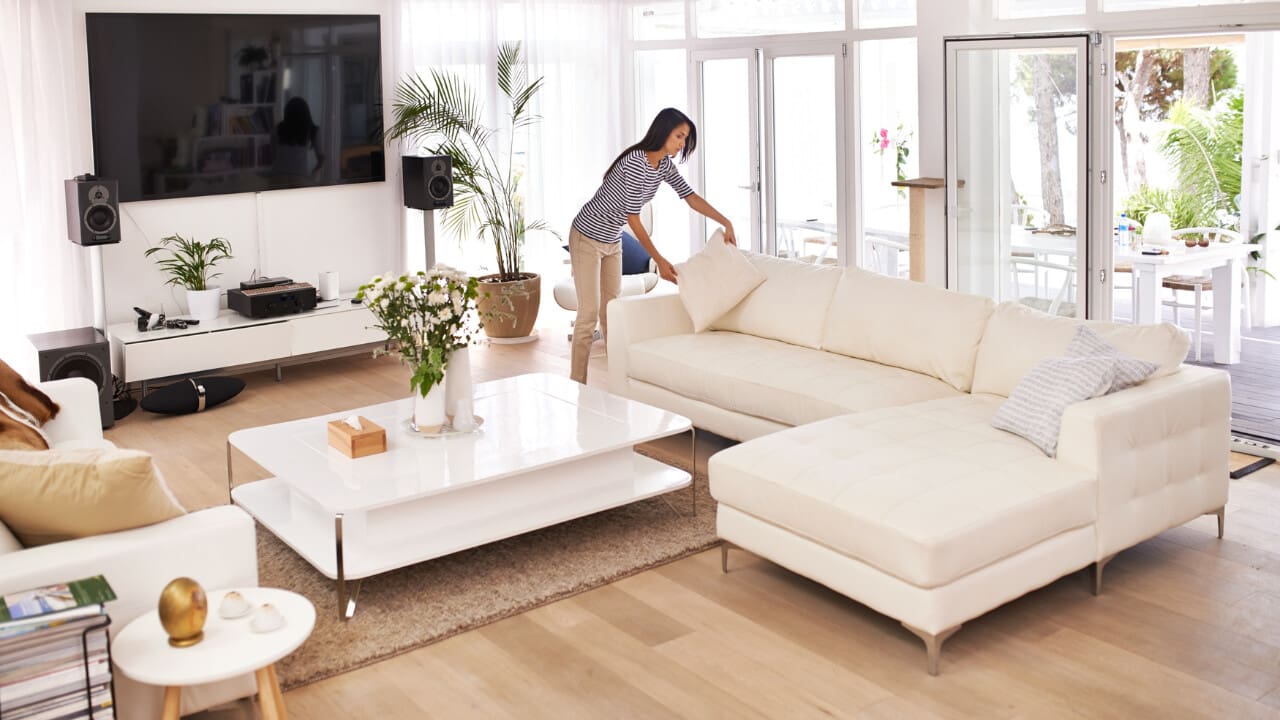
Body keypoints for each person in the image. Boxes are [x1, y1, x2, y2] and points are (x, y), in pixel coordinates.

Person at [568, 107, 736, 384]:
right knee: (588, 314)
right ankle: (577, 385)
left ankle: (619, 382)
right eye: (679, 136)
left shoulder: (664, 165)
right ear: (663, 131)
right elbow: (633, 219)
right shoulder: (636, 162)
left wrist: (725, 221)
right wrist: (659, 259)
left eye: (685, 139)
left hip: (612, 239)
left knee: (611, 311)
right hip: (587, 236)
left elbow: (690, 197)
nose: (682, 144)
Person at [272, 97, 324, 180]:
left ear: (287, 112)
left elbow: (274, 155)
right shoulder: (312, 130)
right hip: (299, 175)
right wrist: (313, 175)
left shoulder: (278, 128)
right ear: (306, 113)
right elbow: (321, 159)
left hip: (278, 174)